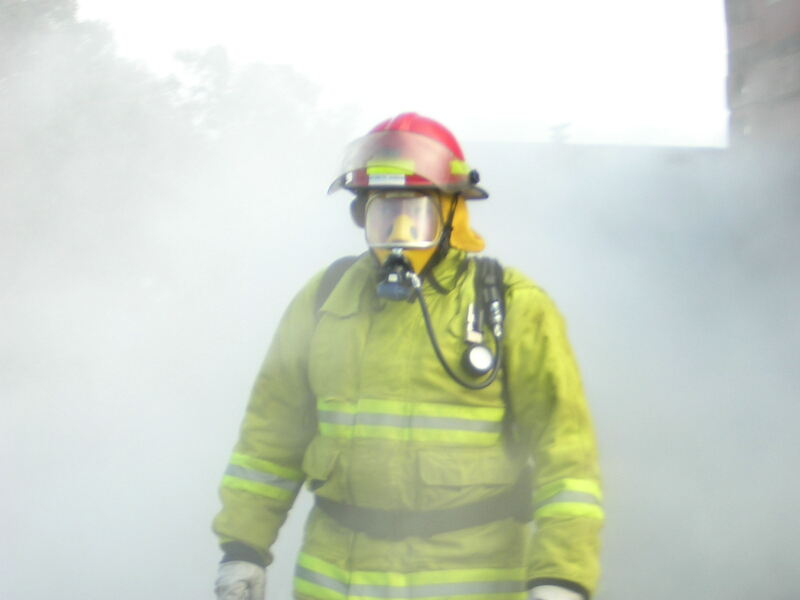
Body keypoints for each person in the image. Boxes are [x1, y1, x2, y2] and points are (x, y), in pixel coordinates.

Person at [212, 113, 604, 600]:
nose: (397, 234)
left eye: (414, 215)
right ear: (361, 216)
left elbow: (566, 457)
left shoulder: (511, 305)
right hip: (335, 583)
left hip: (469, 583)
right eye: (382, 214)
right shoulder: (325, 300)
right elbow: (270, 438)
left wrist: (561, 577)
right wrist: (243, 547)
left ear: (451, 216)